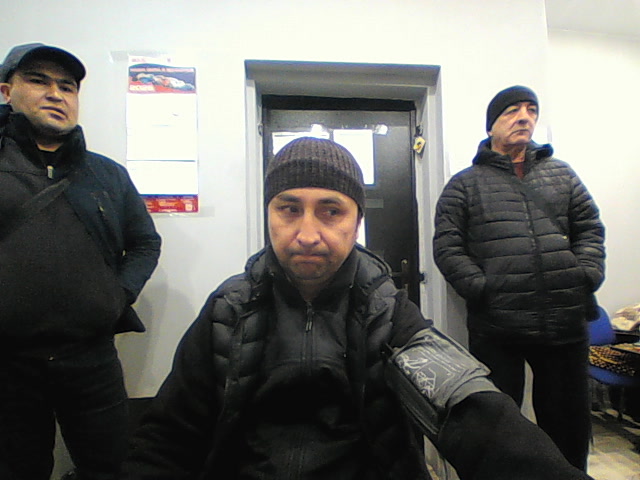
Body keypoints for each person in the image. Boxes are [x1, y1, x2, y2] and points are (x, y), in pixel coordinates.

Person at [123, 136, 593, 480]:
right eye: (289, 209)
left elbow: (472, 414)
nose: (308, 234)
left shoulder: (389, 314)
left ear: (357, 221)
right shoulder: (227, 311)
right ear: (268, 213)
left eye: (331, 211)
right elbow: (166, 441)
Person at [0, 43, 161, 480]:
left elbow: (145, 243)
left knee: (110, 466)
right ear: (7, 92)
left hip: (91, 359)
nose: (56, 94)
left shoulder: (106, 175)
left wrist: (116, 296)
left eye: (67, 86)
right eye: (39, 81)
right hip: (9, 364)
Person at [433, 85, 605, 471]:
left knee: (568, 427)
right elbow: (447, 247)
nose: (524, 117)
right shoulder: (464, 184)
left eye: (531, 110)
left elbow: (590, 229)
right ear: (491, 125)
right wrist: (482, 289)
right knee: (498, 427)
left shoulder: (563, 175)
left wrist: (586, 274)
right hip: (498, 325)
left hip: (564, 320)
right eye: (512, 111)